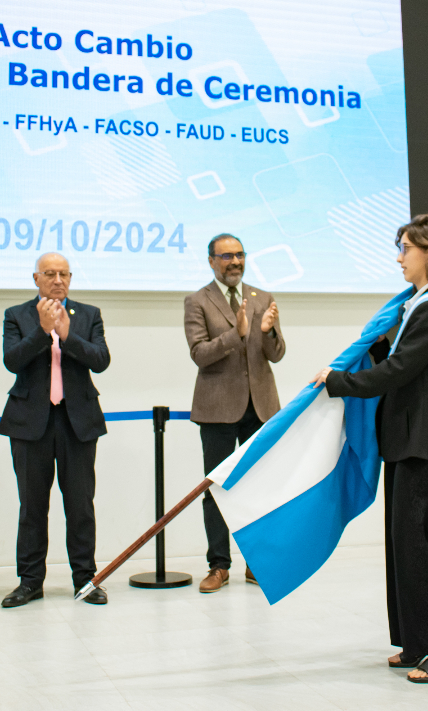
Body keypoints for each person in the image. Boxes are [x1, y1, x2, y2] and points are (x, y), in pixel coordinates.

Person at [314, 214, 428, 684]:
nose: (399, 257)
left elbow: (399, 371)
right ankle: (416, 640)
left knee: (415, 542)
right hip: (408, 438)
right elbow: (398, 361)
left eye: (406, 248)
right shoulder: (417, 306)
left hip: (424, 440)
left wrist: (338, 381)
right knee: (401, 543)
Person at [0, 253, 111, 607]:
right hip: (29, 423)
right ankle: (30, 582)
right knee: (32, 507)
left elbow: (101, 360)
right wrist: (42, 330)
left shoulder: (88, 314)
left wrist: (66, 334)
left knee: (80, 506)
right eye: (50, 273)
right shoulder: (17, 315)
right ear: (36, 278)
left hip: (78, 422)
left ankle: (86, 580)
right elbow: (12, 360)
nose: (58, 280)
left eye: (64, 274)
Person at [184, 233, 285, 592]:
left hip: (260, 407)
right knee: (216, 489)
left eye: (240, 255)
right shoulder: (197, 301)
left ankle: (256, 562)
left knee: (259, 487)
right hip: (217, 409)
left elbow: (277, 354)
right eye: (227, 256)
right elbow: (199, 353)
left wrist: (267, 332)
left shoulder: (263, 297)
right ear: (211, 261)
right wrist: (236, 335)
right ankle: (219, 565)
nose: (235, 262)